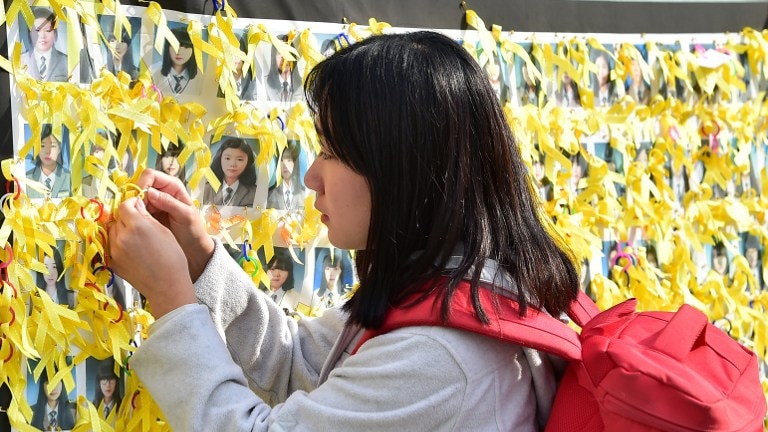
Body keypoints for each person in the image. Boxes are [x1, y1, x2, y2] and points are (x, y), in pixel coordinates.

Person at [109, 31, 579, 431]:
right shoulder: (455, 285)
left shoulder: (440, 359)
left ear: (399, 169)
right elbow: (299, 364)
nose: (312, 177)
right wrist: (199, 259)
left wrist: (172, 299)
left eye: (331, 151)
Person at [201, 137, 258, 207]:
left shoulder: (255, 193)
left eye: (239, 159)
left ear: (248, 162)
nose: (232, 164)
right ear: (220, 159)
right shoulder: (206, 190)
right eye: (227, 158)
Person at [151, 27, 203, 96]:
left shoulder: (200, 78)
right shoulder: (154, 72)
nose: (179, 52)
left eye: (186, 47)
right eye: (174, 46)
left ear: (193, 51)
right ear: (167, 48)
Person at [21, 8, 68, 82]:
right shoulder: (20, 61)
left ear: (55, 33)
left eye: (48, 30)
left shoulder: (66, 61)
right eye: (37, 30)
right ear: (29, 33)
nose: (42, 36)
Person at [26, 124, 71, 199]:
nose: (48, 151)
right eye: (42, 146)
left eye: (52, 146)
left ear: (59, 149)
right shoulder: (27, 178)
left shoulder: (68, 177)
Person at [217, 32, 258, 101]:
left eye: (238, 52)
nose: (236, 57)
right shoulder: (221, 81)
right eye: (232, 53)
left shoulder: (253, 81)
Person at [266, 141, 305, 211]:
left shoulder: (303, 194)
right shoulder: (270, 194)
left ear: (295, 163)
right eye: (281, 160)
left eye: (289, 160)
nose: (285, 165)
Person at [265, 34, 303, 104]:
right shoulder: (265, 84)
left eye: (288, 53)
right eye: (280, 53)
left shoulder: (302, 85)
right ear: (273, 57)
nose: (284, 58)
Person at [264, 248, 303, 314]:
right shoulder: (259, 294)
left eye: (282, 269)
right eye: (272, 269)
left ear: (289, 273)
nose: (276, 274)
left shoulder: (296, 298)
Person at [92, 359, 122, 424]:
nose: (108, 384)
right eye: (104, 379)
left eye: (111, 379)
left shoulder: (123, 408)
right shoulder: (92, 409)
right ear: (99, 383)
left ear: (116, 382)